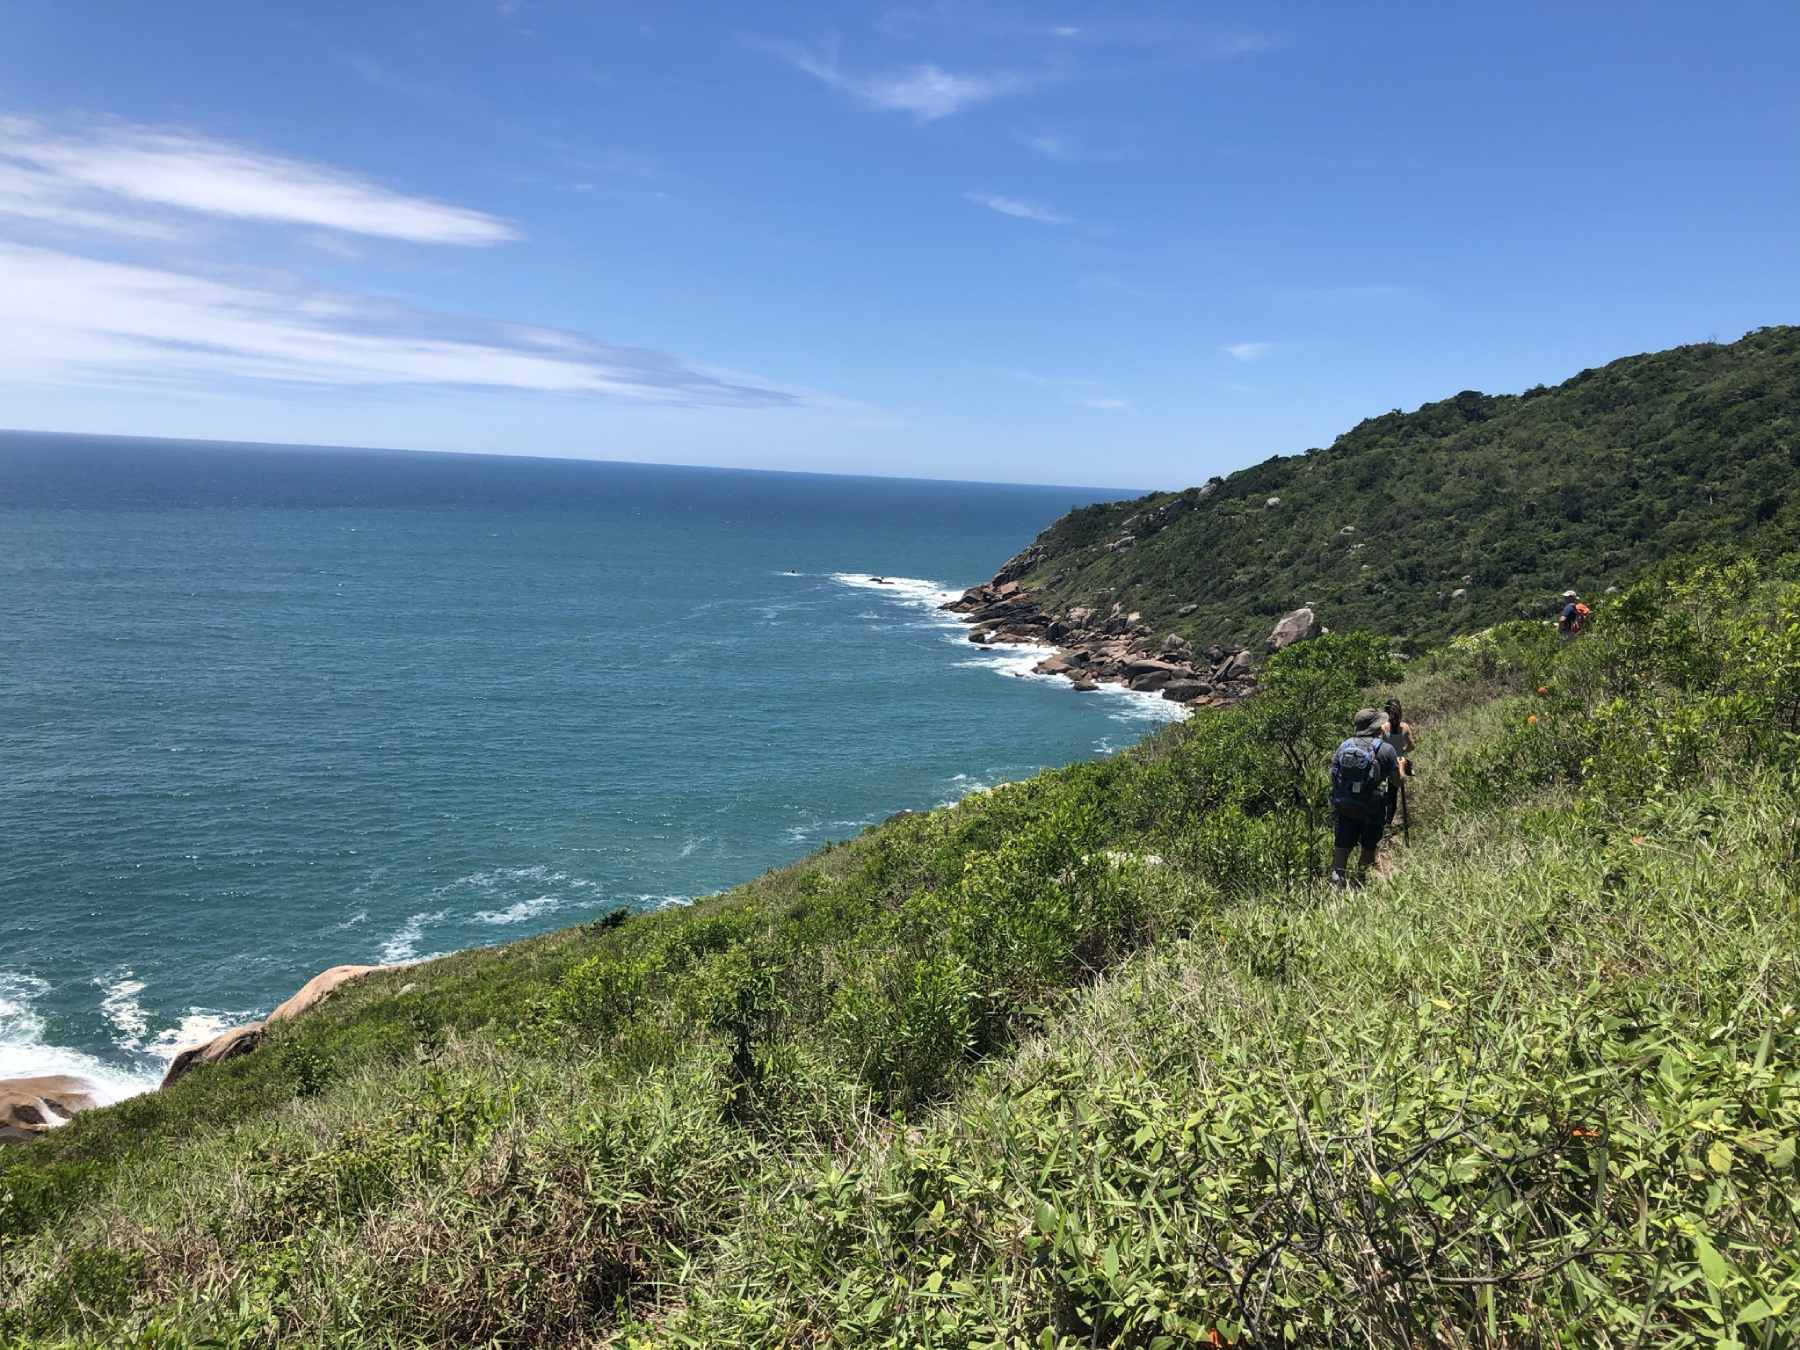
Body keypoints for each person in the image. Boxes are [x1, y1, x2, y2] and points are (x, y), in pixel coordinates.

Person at [1329, 707, 1401, 889]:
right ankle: (1359, 884)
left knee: (1341, 852)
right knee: (1368, 849)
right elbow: (1396, 782)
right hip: (1372, 808)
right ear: (1377, 727)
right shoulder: (1387, 749)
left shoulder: (1344, 746)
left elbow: (1333, 775)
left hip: (1345, 806)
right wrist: (1399, 768)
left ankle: (1336, 889)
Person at [1381, 697, 1414, 828]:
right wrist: (1402, 752)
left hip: (1384, 763)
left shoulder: (1383, 728)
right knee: (1393, 795)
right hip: (1399, 763)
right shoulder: (1404, 727)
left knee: (1383, 793)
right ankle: (1388, 823)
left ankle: (1381, 821)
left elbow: (1378, 746)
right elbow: (1411, 746)